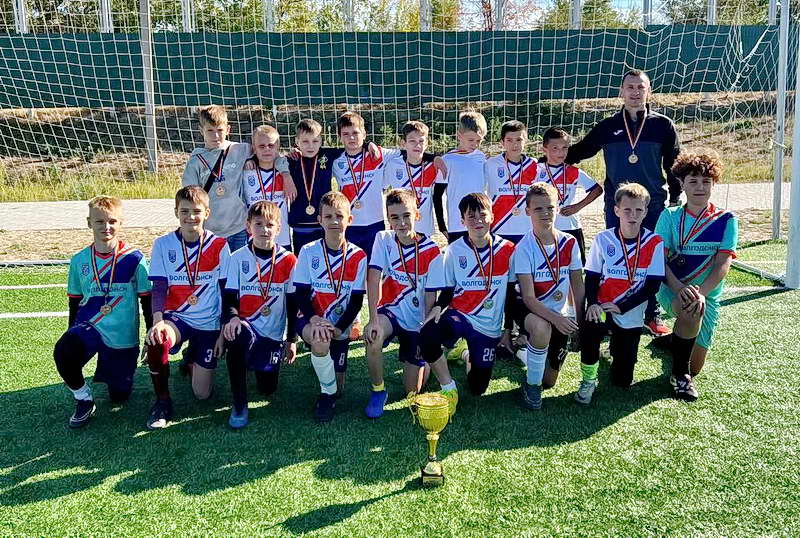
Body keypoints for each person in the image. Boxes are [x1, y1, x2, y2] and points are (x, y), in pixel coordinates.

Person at [566, 69, 680, 336]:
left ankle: (651, 313)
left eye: (641, 87)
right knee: (616, 259)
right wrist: (549, 158)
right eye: (630, 87)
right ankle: (610, 310)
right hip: (617, 206)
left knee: (650, 257)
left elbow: (673, 163)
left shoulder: (663, 125)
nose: (635, 92)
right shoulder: (608, 126)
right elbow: (582, 150)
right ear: (621, 91)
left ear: (648, 91)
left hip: (652, 205)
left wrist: (675, 197)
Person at [54, 196, 152, 428]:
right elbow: (74, 301)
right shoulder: (79, 260)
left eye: (112, 221)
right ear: (89, 222)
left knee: (119, 395)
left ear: (121, 222)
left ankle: (115, 374)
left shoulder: (135, 259)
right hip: (90, 325)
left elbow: (147, 300)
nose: (106, 227)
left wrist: (150, 334)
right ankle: (84, 399)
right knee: (64, 352)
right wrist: (71, 333)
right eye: (99, 221)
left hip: (122, 334)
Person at [145, 185, 231, 430]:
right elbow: (159, 287)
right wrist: (157, 321)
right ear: (176, 212)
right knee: (158, 340)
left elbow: (227, 292)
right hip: (177, 318)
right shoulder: (163, 244)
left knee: (202, 395)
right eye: (184, 211)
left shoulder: (220, 245)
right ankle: (162, 401)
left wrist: (222, 331)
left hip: (209, 322)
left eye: (196, 211)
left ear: (207, 213)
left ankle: (192, 358)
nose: (190, 217)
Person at [654, 150, 738, 401]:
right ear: (682, 184)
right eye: (693, 181)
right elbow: (659, 261)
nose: (700, 187)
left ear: (714, 184)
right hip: (672, 288)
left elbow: (723, 263)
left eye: (706, 181)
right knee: (691, 309)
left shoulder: (726, 219)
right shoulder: (670, 216)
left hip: (706, 295)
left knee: (696, 366)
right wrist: (680, 288)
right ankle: (680, 377)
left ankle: (674, 340)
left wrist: (701, 293)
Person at [420, 193, 516, 408]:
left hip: (488, 326)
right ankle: (448, 388)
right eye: (471, 216)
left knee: (477, 388)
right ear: (462, 220)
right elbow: (448, 289)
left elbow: (511, 293)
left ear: (492, 216)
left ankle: (464, 353)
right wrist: (438, 307)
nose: (478, 220)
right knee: (427, 335)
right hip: (460, 315)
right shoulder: (454, 250)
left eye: (482, 214)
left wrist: (508, 329)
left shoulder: (508, 250)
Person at [578, 183, 665, 404]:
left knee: (622, 380)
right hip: (602, 307)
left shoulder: (654, 243)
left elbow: (652, 286)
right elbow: (592, 276)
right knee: (590, 326)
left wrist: (622, 306)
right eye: (627, 210)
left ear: (645, 212)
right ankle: (588, 380)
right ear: (616, 211)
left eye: (638, 210)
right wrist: (593, 303)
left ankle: (615, 348)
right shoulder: (603, 239)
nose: (632, 215)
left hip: (629, 311)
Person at [363, 189, 443, 418]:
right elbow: (374, 277)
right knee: (373, 336)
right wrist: (373, 319)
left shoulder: (431, 250)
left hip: (418, 321)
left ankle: (430, 358)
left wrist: (426, 334)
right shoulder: (383, 239)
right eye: (395, 217)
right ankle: (378, 391)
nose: (401, 222)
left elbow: (430, 296)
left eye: (406, 215)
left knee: (411, 391)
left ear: (417, 215)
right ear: (388, 219)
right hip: (391, 312)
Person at [292, 191, 368, 422]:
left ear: (349, 219)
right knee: (320, 340)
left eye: (339, 216)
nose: (334, 221)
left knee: (340, 387)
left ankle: (324, 361)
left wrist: (340, 328)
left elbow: (356, 301)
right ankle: (326, 396)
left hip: (340, 323)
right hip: (310, 318)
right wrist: (314, 318)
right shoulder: (308, 251)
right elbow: (301, 293)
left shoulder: (359, 256)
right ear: (320, 220)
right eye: (328, 216)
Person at [221, 201, 298, 428]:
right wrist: (233, 317)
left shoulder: (288, 260)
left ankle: (252, 362)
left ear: (279, 228)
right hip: (247, 325)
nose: (264, 229)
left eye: (270, 225)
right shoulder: (237, 257)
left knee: (267, 389)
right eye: (258, 224)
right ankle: (239, 404)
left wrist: (291, 339)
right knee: (237, 335)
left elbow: (292, 303)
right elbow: (230, 296)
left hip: (272, 334)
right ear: (248, 226)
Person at [510, 183, 584, 410]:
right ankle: (531, 386)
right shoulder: (524, 248)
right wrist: (557, 320)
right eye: (538, 209)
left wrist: (579, 324)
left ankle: (525, 353)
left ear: (558, 208)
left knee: (549, 382)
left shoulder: (569, 242)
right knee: (542, 329)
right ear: (527, 211)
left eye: (550, 208)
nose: (545, 213)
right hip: (529, 308)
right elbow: (529, 298)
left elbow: (578, 286)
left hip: (558, 312)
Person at [181, 105, 290, 252]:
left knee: (239, 265)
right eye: (210, 131)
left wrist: (286, 173)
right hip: (210, 230)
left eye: (220, 130)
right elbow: (190, 198)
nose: (215, 136)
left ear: (228, 129)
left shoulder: (241, 150)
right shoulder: (195, 161)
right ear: (201, 131)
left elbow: (270, 153)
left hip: (238, 228)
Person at [286, 119, 378, 255]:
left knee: (325, 258)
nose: (311, 146)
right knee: (303, 259)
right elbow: (276, 161)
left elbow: (351, 147)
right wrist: (254, 159)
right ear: (297, 141)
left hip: (325, 223)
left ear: (321, 141)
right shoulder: (292, 160)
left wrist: (367, 143)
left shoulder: (327, 155)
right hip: (300, 223)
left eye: (315, 141)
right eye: (305, 141)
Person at [332, 111, 398, 260]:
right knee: (353, 267)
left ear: (364, 134)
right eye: (346, 134)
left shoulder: (377, 154)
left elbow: (406, 153)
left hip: (376, 223)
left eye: (356, 133)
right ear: (339, 136)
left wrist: (434, 158)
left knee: (376, 267)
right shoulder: (335, 160)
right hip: (349, 224)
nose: (351, 138)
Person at [536, 127, 602, 264]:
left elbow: (597, 190)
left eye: (564, 148)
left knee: (576, 266)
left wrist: (577, 207)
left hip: (570, 226)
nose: (560, 152)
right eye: (555, 148)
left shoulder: (574, 172)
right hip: (545, 226)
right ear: (544, 149)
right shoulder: (535, 170)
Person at [433, 111, 488, 244]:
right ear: (459, 135)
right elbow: (437, 195)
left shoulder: (481, 158)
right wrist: (442, 226)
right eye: (471, 140)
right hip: (457, 225)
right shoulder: (447, 160)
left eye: (479, 140)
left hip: (480, 224)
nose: (475, 144)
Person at [382, 121, 442, 238]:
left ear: (427, 143)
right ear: (403, 143)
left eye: (421, 141)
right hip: (400, 228)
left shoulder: (434, 166)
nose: (417, 145)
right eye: (412, 141)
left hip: (425, 229)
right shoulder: (393, 165)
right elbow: (381, 189)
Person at [241, 124, 296, 250]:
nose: (266, 149)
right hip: (254, 237)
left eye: (271, 145)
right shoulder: (246, 172)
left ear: (278, 147)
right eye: (262, 146)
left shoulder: (287, 171)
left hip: (282, 237)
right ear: (254, 148)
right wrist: (249, 160)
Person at [485, 120, 538, 245]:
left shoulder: (534, 164)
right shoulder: (490, 164)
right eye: (509, 140)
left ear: (526, 141)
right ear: (502, 142)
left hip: (527, 229)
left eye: (519, 140)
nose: (515, 144)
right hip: (498, 227)